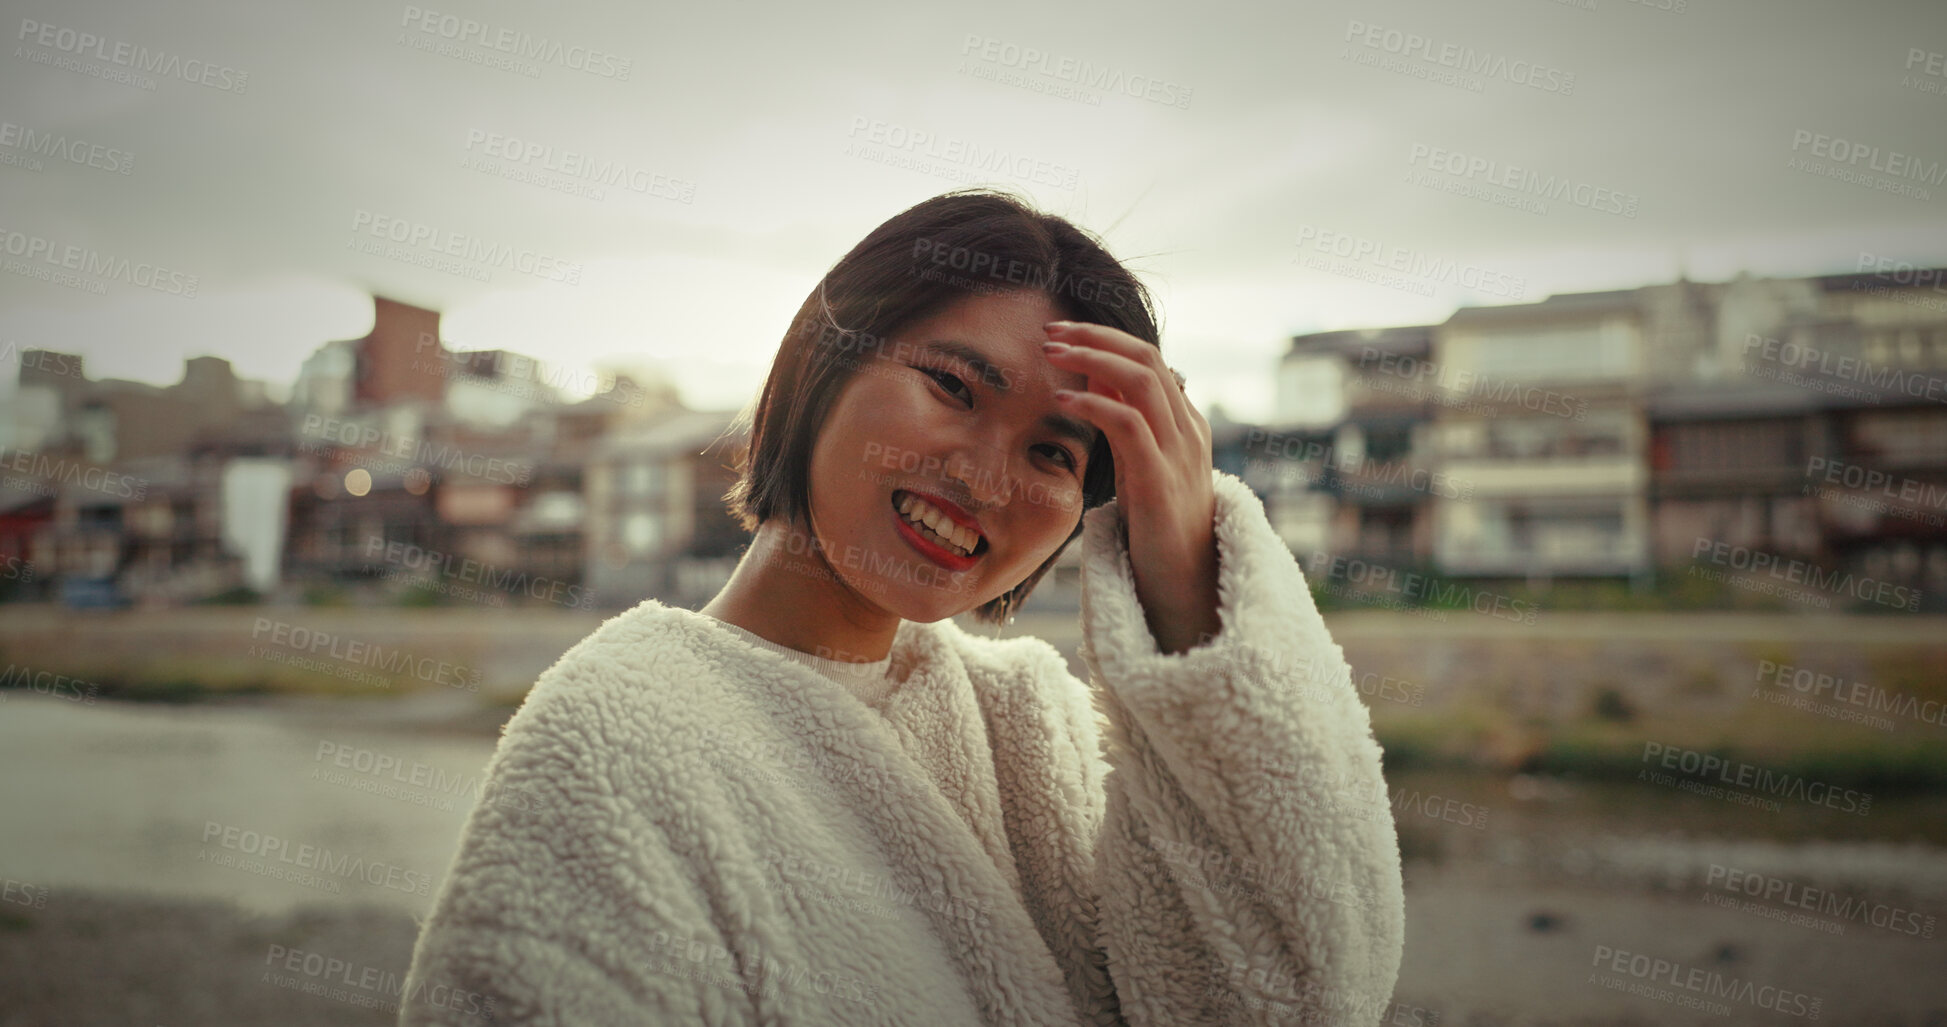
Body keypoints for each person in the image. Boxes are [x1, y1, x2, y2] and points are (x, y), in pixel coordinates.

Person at [397, 188, 1406, 1026]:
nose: (986, 477)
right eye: (954, 387)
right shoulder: (614, 734)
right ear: (821, 356)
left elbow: (1287, 999)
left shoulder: (1028, 725)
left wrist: (1186, 577)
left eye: (1053, 451)